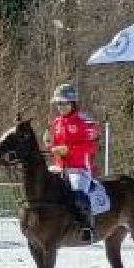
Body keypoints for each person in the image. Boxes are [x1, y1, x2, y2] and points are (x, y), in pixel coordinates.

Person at [47, 83, 100, 243]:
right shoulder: (56, 123)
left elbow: (92, 146)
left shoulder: (85, 122)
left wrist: (68, 150)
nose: (60, 107)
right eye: (58, 103)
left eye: (63, 103)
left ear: (73, 103)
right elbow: (53, 146)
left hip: (79, 169)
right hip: (58, 167)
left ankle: (87, 227)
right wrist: (50, 146)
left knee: (78, 194)